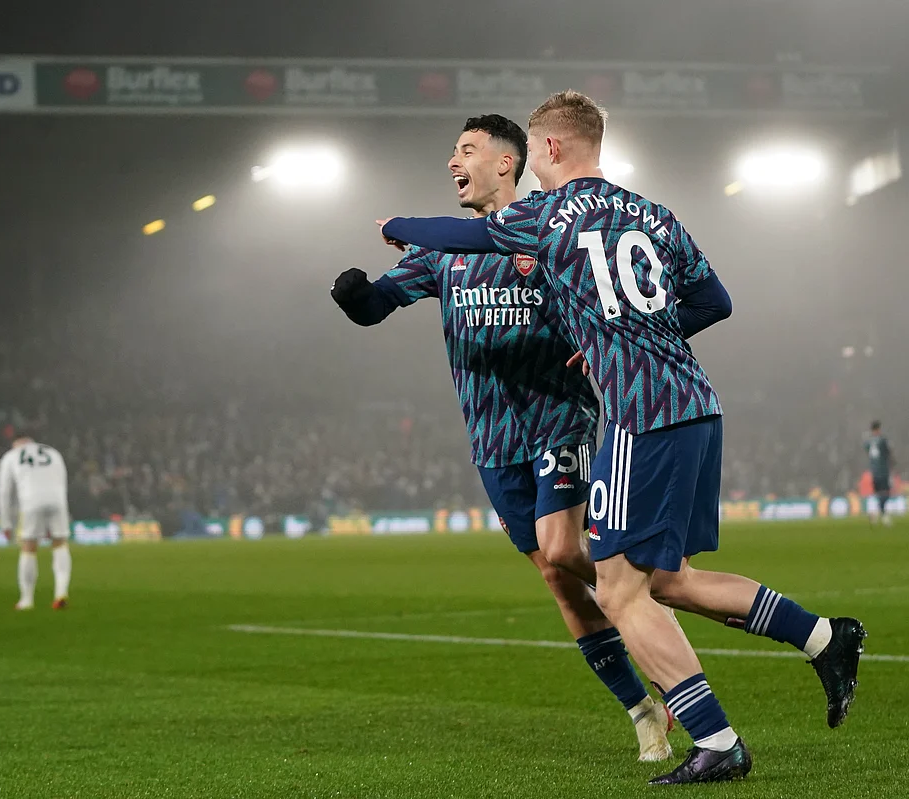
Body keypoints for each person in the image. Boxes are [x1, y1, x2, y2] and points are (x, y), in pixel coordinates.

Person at [378, 91, 866, 784]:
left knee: (617, 589)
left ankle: (717, 740)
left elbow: (469, 236)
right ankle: (823, 635)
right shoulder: (651, 211)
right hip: (697, 402)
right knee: (666, 578)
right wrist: (625, 336)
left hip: (644, 418)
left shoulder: (545, 214)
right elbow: (714, 301)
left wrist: (397, 224)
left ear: (546, 149)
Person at [331, 114, 672, 762]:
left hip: (560, 418)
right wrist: (353, 296)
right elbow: (380, 303)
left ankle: (661, 622)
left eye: (466, 150)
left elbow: (604, 298)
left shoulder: (548, 228)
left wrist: (593, 344)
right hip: (493, 442)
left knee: (562, 546)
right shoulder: (442, 250)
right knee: (559, 573)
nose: (452, 162)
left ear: (506, 163)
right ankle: (640, 705)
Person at [0, 436, 73, 610]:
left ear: (17, 444)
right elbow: (63, 481)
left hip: (31, 502)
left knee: (29, 547)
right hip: (57, 500)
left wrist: (5, 522)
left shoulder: (11, 455)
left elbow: (4, 491)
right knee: (60, 544)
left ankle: (27, 599)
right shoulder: (53, 452)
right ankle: (61, 592)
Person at [864, 421, 894, 526]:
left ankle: (876, 513)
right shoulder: (882, 440)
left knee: (879, 493)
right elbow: (888, 453)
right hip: (883, 470)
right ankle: (882, 514)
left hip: (874, 471)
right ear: (878, 429)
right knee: (886, 493)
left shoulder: (868, 442)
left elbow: (868, 452)